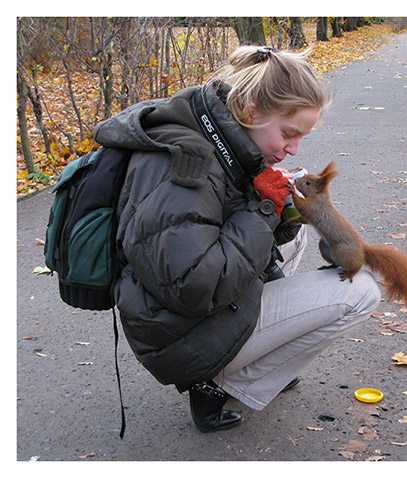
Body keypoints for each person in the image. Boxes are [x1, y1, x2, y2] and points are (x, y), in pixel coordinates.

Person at [93, 46, 381, 432]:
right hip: (180, 335)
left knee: (294, 241)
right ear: (250, 111)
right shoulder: (188, 166)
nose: (293, 148)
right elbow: (193, 286)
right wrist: (263, 208)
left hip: (179, 312)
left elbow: (225, 228)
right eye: (288, 134)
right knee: (360, 291)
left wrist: (282, 210)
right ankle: (219, 382)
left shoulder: (222, 137)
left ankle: (257, 354)